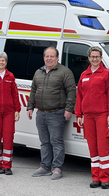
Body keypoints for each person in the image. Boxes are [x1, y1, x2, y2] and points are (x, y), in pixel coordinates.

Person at [27, 47, 76, 180]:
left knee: (56, 142)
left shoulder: (65, 72)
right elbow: (33, 90)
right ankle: (45, 167)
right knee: (44, 142)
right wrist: (30, 107)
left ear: (57, 58)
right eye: (47, 56)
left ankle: (57, 168)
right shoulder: (39, 72)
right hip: (41, 113)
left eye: (52, 56)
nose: (49, 58)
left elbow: (71, 91)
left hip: (57, 113)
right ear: (44, 58)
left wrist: (69, 109)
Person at [75, 46, 109, 189]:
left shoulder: (107, 73)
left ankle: (105, 178)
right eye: (92, 56)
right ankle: (95, 178)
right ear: (88, 58)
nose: (94, 59)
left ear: (101, 58)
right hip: (88, 116)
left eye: (97, 56)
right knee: (92, 147)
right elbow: (79, 96)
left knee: (103, 146)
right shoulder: (84, 75)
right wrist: (78, 114)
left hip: (102, 115)